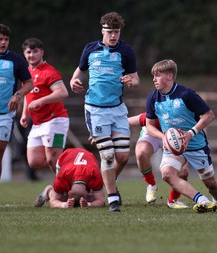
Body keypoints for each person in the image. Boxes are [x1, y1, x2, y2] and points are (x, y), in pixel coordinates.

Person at [70, 12, 139, 212]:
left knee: (123, 157)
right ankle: (112, 197)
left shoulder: (126, 51)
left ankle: (107, 182)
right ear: (102, 31)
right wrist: (75, 81)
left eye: (116, 32)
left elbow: (135, 79)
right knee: (107, 155)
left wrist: (131, 82)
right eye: (110, 32)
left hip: (117, 110)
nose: (113, 36)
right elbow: (80, 71)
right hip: (95, 109)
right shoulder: (90, 49)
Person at [146, 59, 217, 213]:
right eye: (153, 76)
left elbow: (209, 115)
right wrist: (164, 138)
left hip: (196, 144)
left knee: (211, 184)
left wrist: (190, 134)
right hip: (174, 147)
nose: (154, 79)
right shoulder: (153, 98)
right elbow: (149, 125)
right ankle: (203, 201)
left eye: (157, 75)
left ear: (169, 76)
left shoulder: (186, 94)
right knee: (167, 174)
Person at [0, 24, 33, 210]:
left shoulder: (16, 61)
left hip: (4, 117)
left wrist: (18, 95)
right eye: (0, 39)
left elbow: (29, 83)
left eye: (6, 39)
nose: (3, 42)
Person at [20, 37, 69, 174]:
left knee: (53, 160)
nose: (32, 55)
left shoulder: (49, 72)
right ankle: (72, 165)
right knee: (34, 161)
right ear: (24, 54)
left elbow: (63, 92)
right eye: (28, 52)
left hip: (56, 121)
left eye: (35, 51)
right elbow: (28, 94)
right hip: (38, 123)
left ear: (42, 52)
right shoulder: (27, 72)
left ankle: (65, 190)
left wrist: (41, 101)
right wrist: (25, 114)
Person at [128, 112, 189, 209]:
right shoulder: (153, 115)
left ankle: (173, 200)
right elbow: (126, 121)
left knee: (183, 172)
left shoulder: (181, 115)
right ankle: (151, 185)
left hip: (174, 138)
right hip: (153, 135)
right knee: (141, 153)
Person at [34, 148, 105, 208]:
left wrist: (88, 204)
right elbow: (53, 202)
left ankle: (62, 195)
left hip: (85, 159)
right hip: (66, 156)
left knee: (92, 198)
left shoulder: (95, 174)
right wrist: (64, 204)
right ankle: (49, 191)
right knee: (62, 198)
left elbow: (102, 201)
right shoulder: (62, 176)